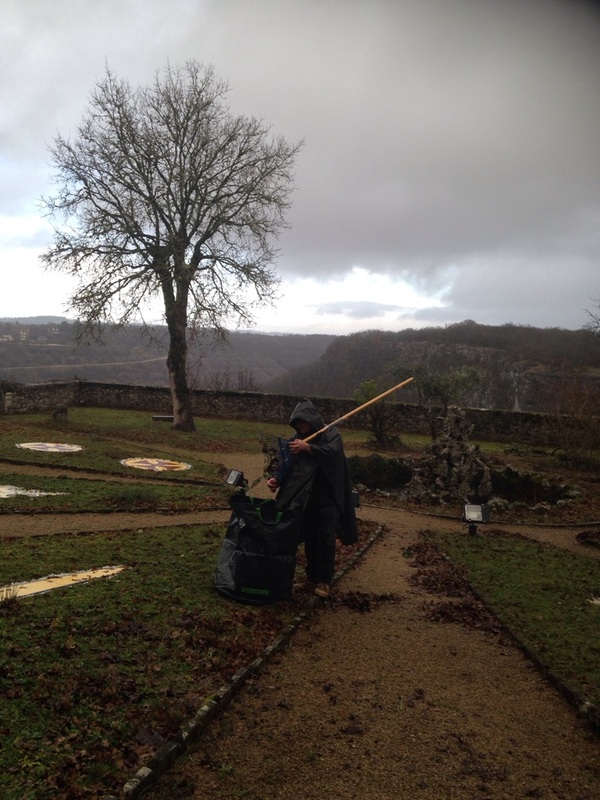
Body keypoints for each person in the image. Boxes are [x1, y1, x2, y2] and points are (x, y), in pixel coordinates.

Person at [267, 398, 357, 599]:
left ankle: (324, 581)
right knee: (310, 539)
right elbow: (285, 463)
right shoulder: (295, 439)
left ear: (312, 419)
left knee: (326, 538)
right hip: (305, 499)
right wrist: (275, 478)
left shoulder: (331, 435)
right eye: (296, 423)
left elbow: (333, 454)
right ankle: (311, 577)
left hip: (328, 497)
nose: (299, 426)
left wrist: (309, 448)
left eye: (302, 421)